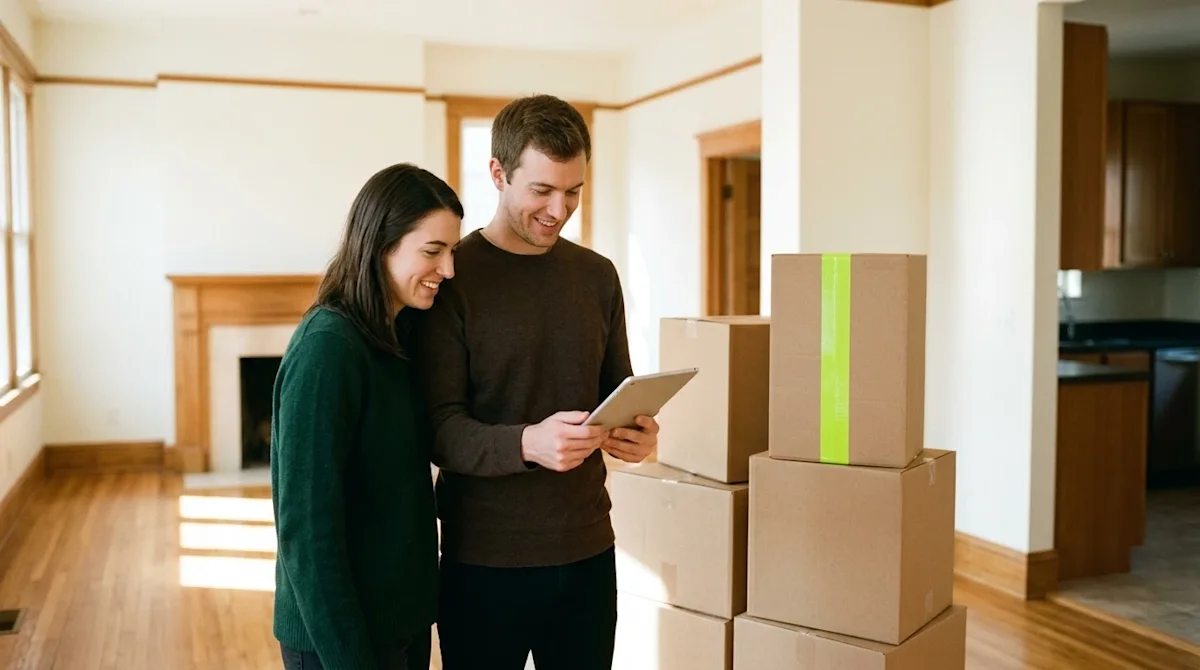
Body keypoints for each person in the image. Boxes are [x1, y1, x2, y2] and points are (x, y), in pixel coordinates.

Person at [414, 94, 659, 670]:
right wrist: (529, 442)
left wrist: (638, 435)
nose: (559, 208)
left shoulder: (598, 277)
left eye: (573, 191)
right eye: (542, 190)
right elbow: (437, 428)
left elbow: (615, 392)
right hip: (484, 563)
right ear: (498, 174)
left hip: (588, 551)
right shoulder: (451, 277)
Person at [270, 162, 461, 670]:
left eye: (452, 251)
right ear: (380, 244)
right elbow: (306, 533)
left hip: (401, 623)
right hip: (341, 641)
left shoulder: (398, 338)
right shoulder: (328, 350)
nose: (448, 270)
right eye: (432, 251)